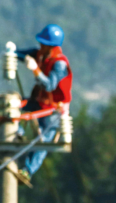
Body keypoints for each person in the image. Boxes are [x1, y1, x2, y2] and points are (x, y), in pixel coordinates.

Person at [14, 23, 72, 186]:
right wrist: (11, 53)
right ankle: (16, 134)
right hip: (38, 101)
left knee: (43, 141)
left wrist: (35, 70)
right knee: (14, 107)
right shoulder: (39, 54)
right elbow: (20, 54)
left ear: (52, 46)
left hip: (53, 109)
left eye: (44, 43)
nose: (40, 45)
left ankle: (26, 171)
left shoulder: (59, 64)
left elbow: (49, 85)